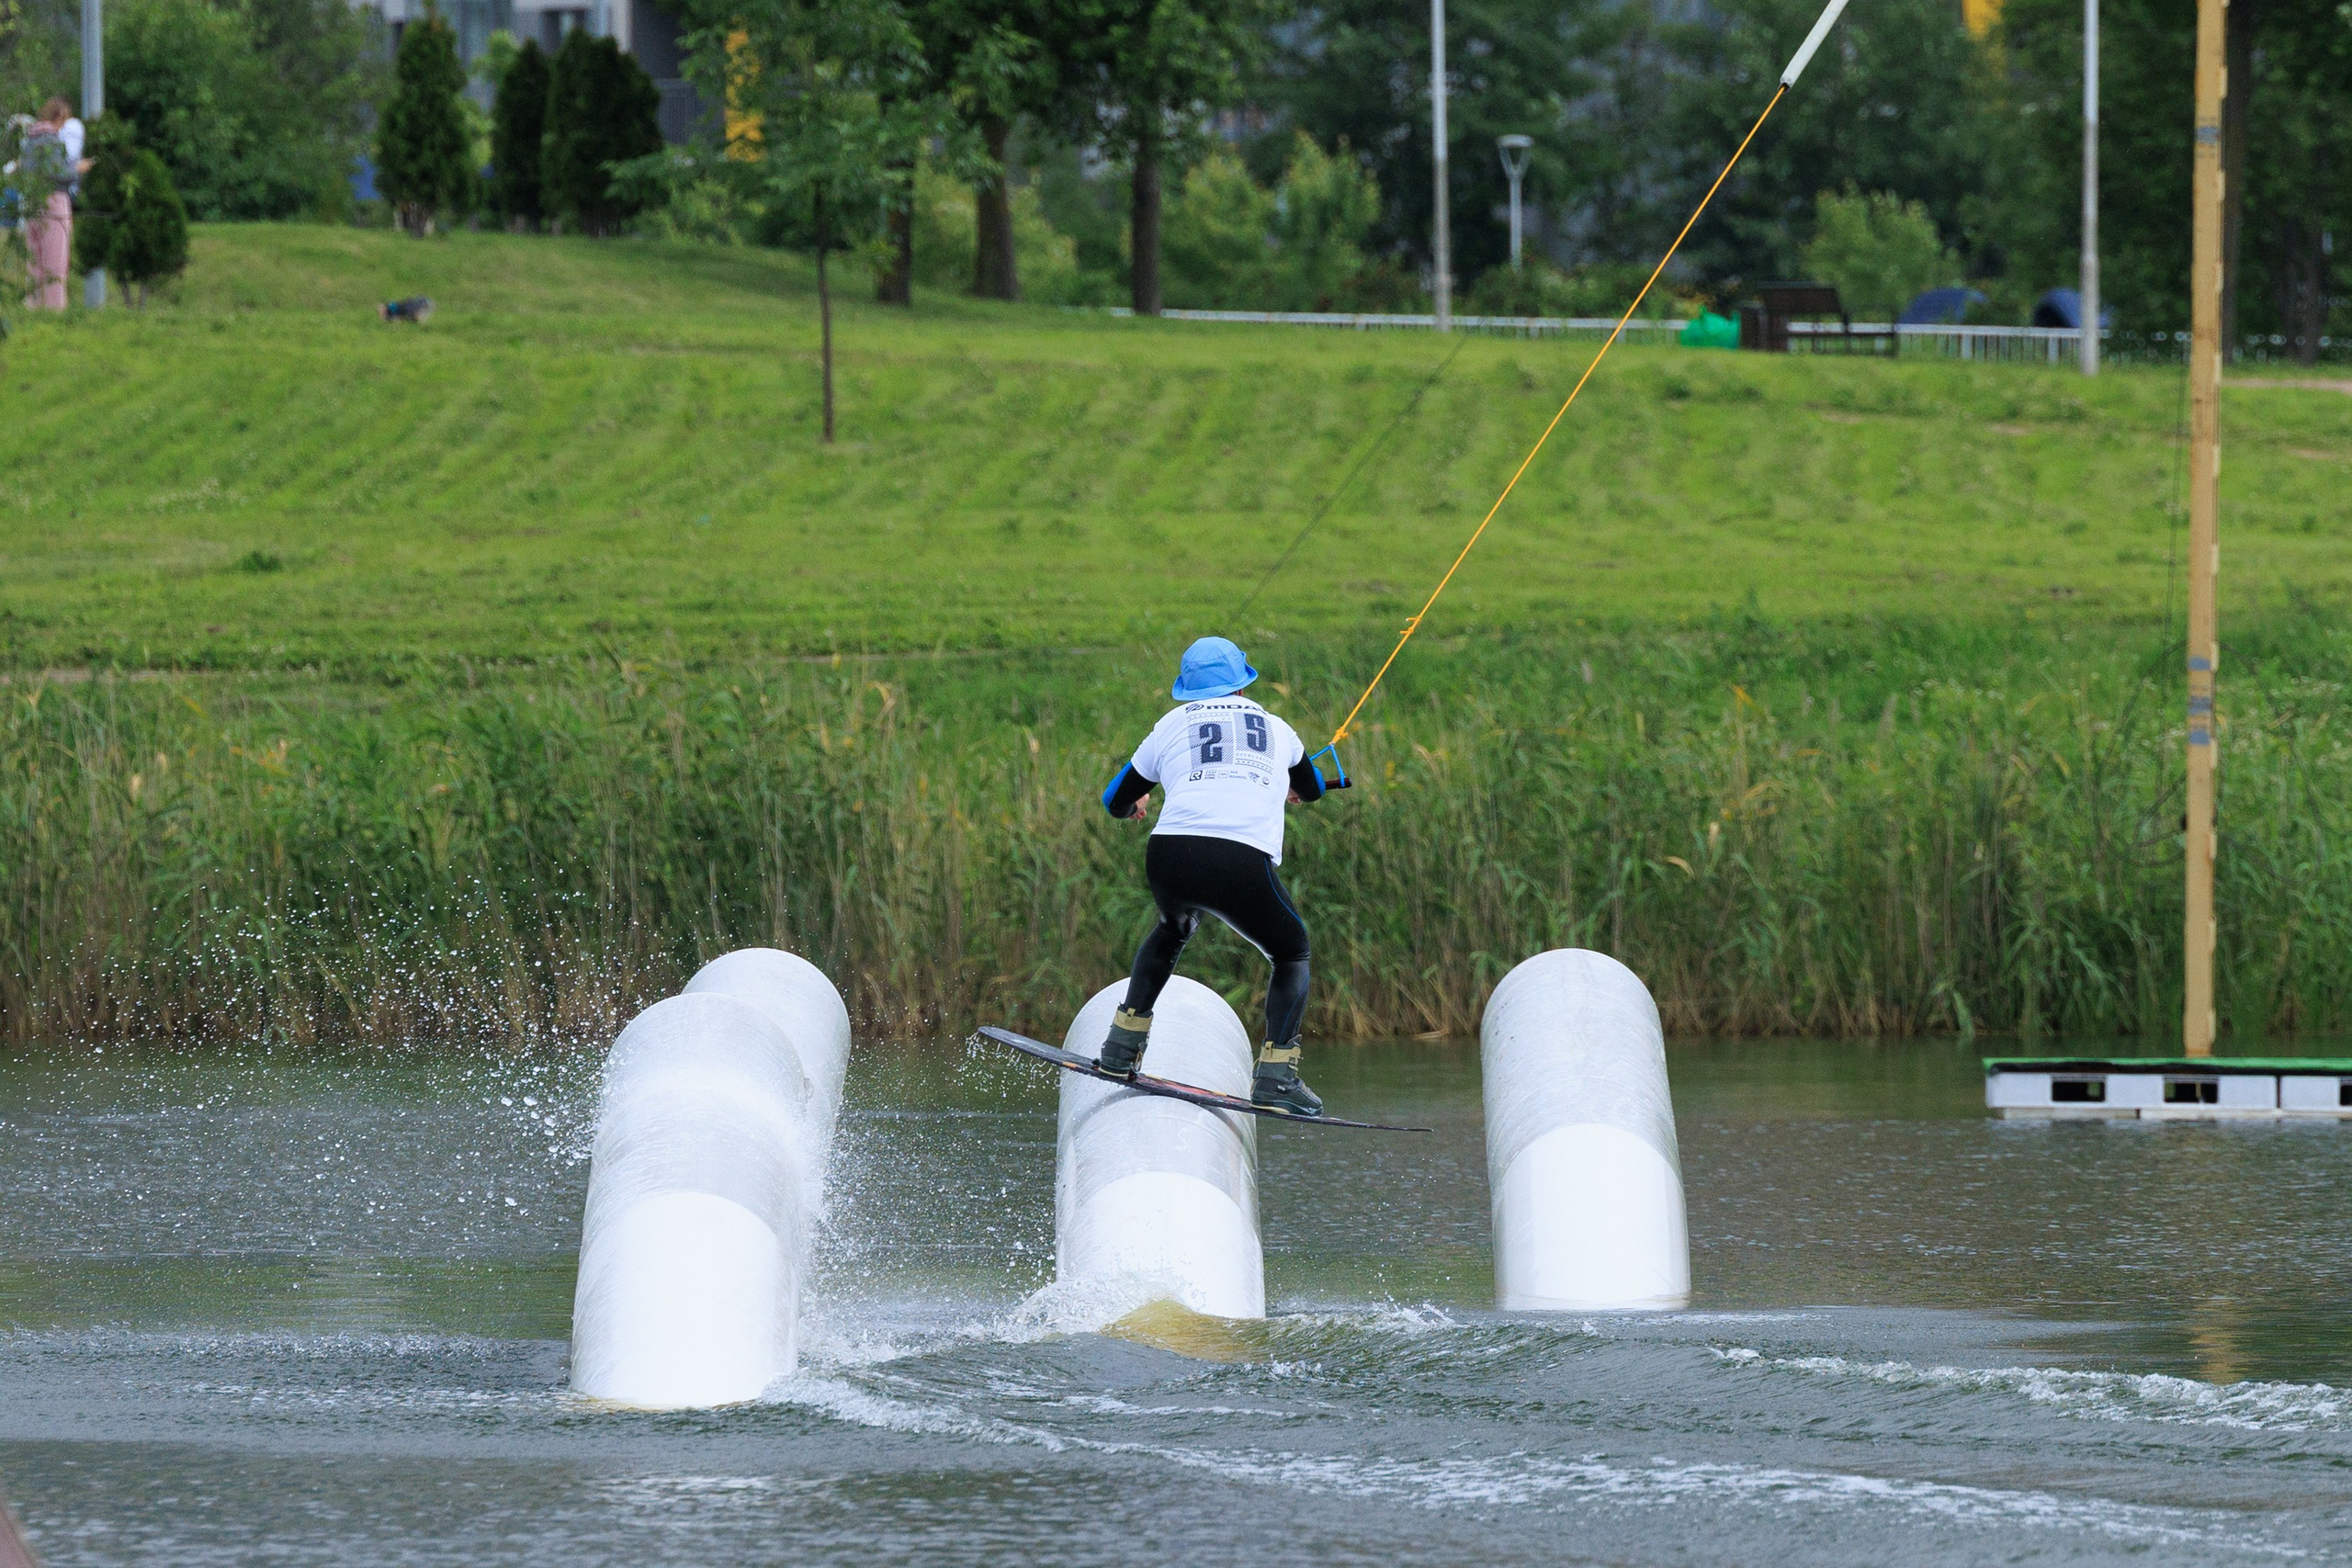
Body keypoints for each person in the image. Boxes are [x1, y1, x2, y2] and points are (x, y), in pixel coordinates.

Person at [1097, 636, 1332, 1115]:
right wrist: (1293, 789)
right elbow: (1312, 789)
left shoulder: (1169, 725)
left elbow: (1115, 800)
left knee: (1173, 927)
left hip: (1169, 856)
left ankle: (1120, 1048)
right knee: (1292, 951)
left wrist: (1136, 803)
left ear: (1188, 692)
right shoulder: (1279, 729)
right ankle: (1277, 1076)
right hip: (1238, 859)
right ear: (1243, 689)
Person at [17, 99, 81, 312]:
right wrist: (77, 169)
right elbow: (58, 173)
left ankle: (33, 303)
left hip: (32, 200)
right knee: (55, 257)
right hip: (54, 200)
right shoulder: (53, 141)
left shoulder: (29, 140)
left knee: (34, 256)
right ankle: (54, 307)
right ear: (59, 116)